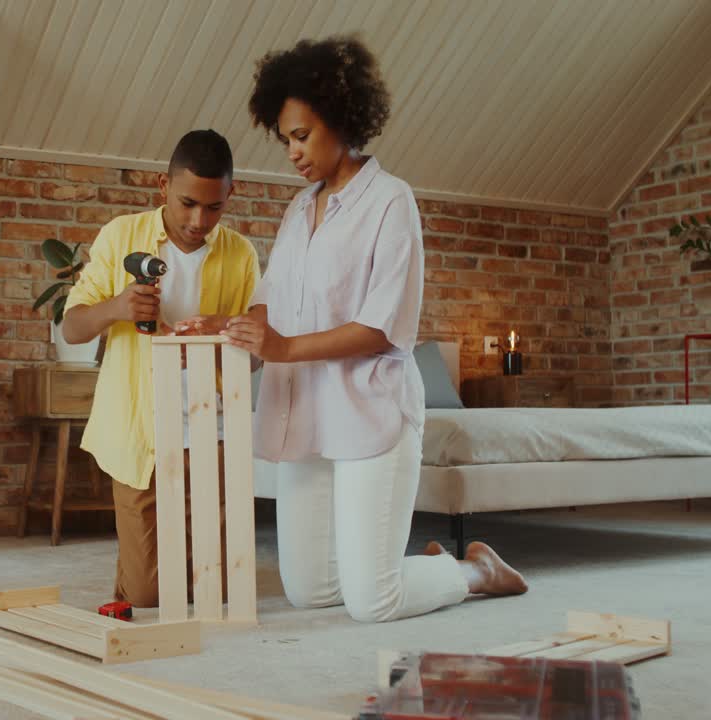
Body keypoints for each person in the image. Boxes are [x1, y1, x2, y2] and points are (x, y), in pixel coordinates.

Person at [214, 35, 526, 622]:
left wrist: (283, 346)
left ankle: (473, 569)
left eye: (301, 136)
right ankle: (417, 567)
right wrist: (236, 329)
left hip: (369, 412)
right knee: (309, 591)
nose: (293, 153)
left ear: (341, 117)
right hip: (305, 413)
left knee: (372, 603)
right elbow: (270, 301)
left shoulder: (391, 201)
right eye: (285, 140)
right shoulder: (297, 210)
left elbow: (383, 328)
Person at [61, 129, 260, 607]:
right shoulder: (120, 235)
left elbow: (254, 357)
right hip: (139, 432)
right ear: (162, 186)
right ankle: (137, 568)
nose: (198, 220)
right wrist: (117, 308)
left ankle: (155, 561)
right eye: (187, 202)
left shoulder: (240, 254)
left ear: (231, 194)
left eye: (213, 208)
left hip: (209, 429)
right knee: (150, 597)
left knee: (218, 591)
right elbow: (72, 329)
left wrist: (225, 326)